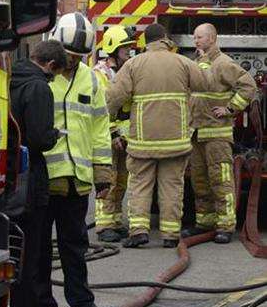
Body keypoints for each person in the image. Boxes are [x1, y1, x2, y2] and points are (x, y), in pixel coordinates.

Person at [35, 12, 120, 307]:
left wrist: (102, 170)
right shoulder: (41, 75)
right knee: (40, 253)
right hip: (44, 180)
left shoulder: (90, 78)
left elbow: (100, 126)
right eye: (67, 54)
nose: (71, 61)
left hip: (76, 182)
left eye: (77, 56)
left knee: (75, 251)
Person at [106, 23, 213, 248]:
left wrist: (108, 124)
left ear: (146, 42)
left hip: (143, 141)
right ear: (165, 39)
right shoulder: (183, 63)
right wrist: (202, 62)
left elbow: (113, 97)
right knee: (172, 187)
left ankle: (138, 232)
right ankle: (171, 235)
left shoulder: (133, 64)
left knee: (140, 185)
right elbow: (205, 83)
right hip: (175, 141)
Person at [8, 40, 67, 307]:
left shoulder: (9, 77)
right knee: (32, 254)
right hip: (31, 182)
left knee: (13, 250)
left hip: (6, 178)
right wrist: (55, 133)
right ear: (51, 65)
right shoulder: (39, 87)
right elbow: (40, 137)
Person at [183, 23, 257, 244]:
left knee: (220, 180)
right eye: (194, 37)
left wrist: (231, 108)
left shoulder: (223, 63)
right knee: (199, 181)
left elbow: (248, 86)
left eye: (200, 37)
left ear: (213, 38)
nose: (196, 41)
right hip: (197, 133)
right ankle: (204, 222)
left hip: (217, 134)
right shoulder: (198, 63)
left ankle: (225, 226)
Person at [93, 25, 137, 243]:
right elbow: (101, 109)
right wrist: (112, 135)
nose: (129, 54)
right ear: (113, 49)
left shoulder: (125, 73)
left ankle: (115, 221)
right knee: (107, 180)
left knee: (121, 181)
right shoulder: (100, 75)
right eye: (125, 50)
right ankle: (104, 225)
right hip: (107, 137)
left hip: (124, 138)